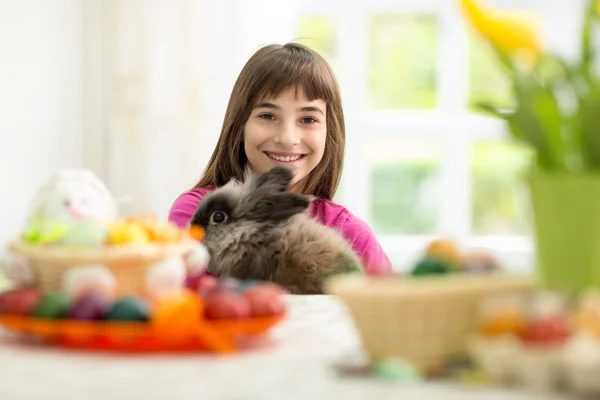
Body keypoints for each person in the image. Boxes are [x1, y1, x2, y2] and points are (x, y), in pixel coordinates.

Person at [168, 42, 391, 275]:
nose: (287, 138)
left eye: (308, 119)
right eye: (267, 115)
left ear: (329, 131)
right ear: (240, 125)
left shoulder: (352, 235)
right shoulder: (199, 214)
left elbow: (389, 307)